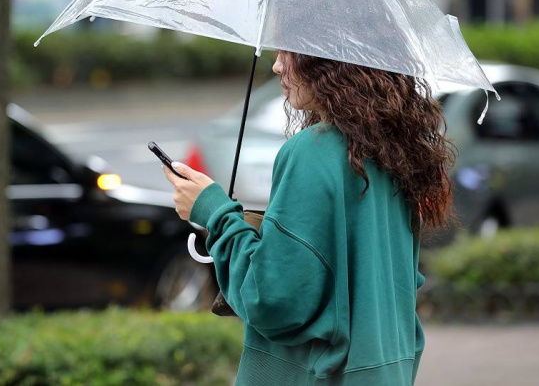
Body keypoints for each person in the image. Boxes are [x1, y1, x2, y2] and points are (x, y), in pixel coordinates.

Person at [162, 49, 456, 385]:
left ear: (329, 60)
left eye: (289, 53)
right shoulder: (397, 153)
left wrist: (213, 211)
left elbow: (273, 300)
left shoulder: (311, 151)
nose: (276, 65)